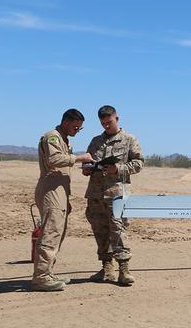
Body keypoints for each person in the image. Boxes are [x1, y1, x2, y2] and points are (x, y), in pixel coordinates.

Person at [32, 109, 94, 291]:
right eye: (76, 127)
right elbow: (54, 159)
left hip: (59, 192)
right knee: (50, 232)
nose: (77, 131)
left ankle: (47, 272)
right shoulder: (52, 137)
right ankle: (41, 278)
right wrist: (79, 158)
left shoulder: (64, 139)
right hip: (50, 190)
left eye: (79, 128)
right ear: (66, 122)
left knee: (57, 232)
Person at [83, 105, 144, 286]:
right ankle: (106, 268)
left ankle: (124, 270)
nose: (106, 126)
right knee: (99, 231)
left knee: (118, 230)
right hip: (95, 194)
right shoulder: (95, 141)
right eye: (103, 123)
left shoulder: (129, 139)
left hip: (117, 193)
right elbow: (88, 162)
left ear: (117, 119)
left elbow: (139, 164)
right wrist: (87, 169)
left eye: (109, 122)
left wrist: (118, 169)